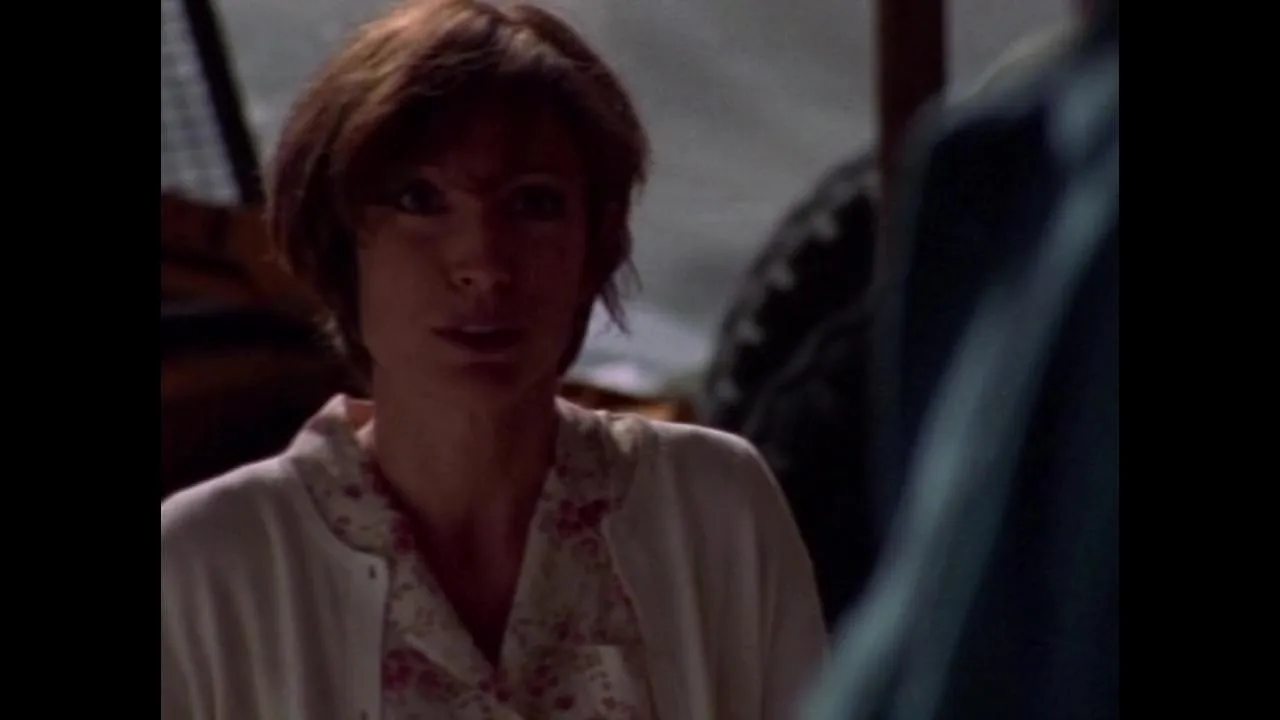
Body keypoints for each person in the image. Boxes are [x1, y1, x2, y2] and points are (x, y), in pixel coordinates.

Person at [160, 1, 827, 718]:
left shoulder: (710, 507)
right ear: (340, 241)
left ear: (594, 244)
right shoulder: (206, 563)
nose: (483, 263)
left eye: (534, 203)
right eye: (420, 199)